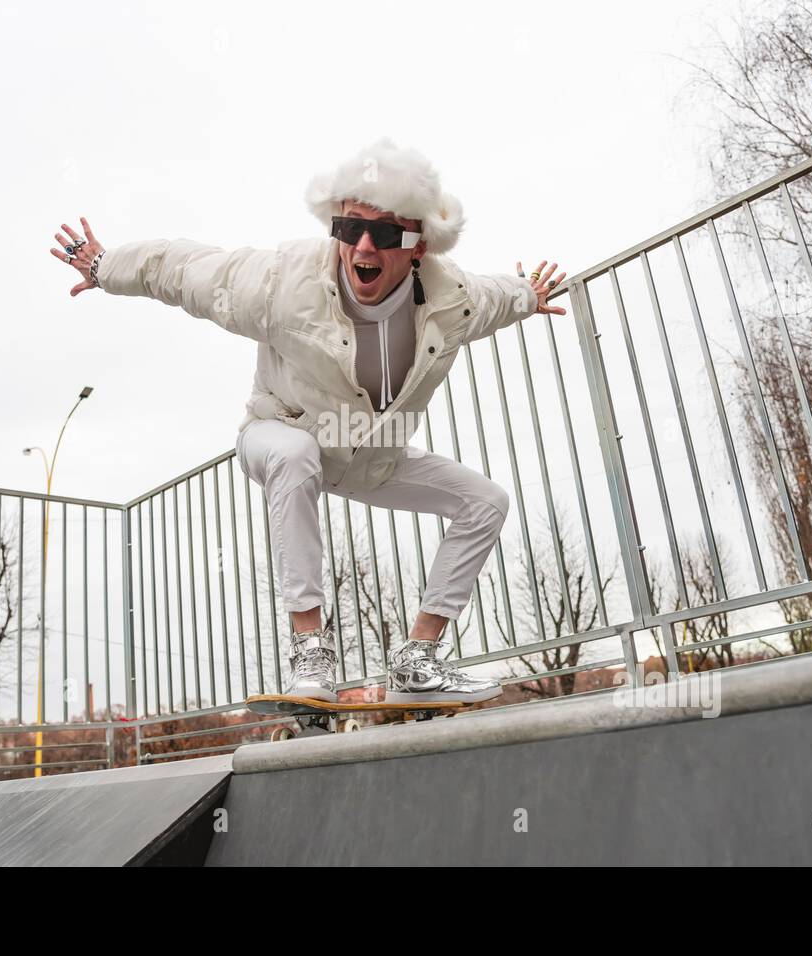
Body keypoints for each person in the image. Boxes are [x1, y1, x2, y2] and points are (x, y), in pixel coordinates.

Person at [50, 138, 565, 705]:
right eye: (350, 229)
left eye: (386, 234)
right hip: (277, 434)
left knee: (485, 500)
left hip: (368, 456)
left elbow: (497, 299)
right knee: (295, 455)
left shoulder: (452, 299)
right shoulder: (281, 282)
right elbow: (186, 269)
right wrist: (104, 266)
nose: (363, 247)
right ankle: (309, 649)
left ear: (417, 246)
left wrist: (530, 295)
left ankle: (417, 659)